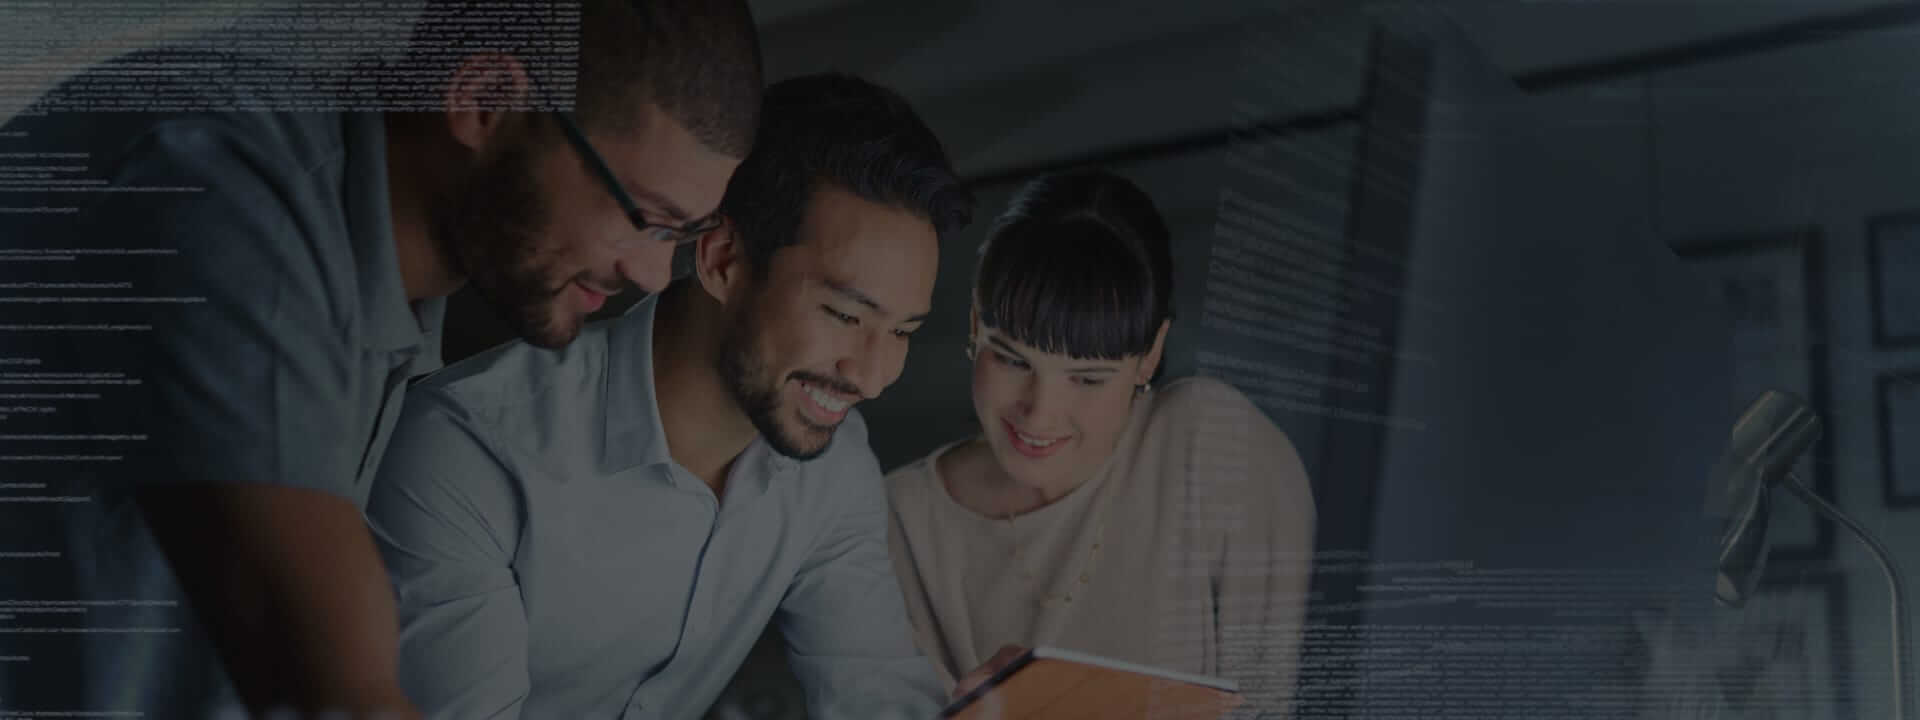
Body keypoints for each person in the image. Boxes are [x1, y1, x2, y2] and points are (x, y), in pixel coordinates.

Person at [0, 1, 761, 716]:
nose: (653, 275)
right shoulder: (222, 186)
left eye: (680, 235)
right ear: (485, 101)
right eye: (643, 218)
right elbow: (333, 687)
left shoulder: (398, 268)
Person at [365, 72, 984, 719]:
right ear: (721, 261)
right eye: (845, 316)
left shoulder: (834, 464)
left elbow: (878, 695)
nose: (873, 374)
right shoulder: (466, 451)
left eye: (903, 331)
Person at [884, 170, 1318, 716]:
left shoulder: (1214, 451)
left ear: (1151, 354)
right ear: (974, 323)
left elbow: (1270, 708)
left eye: (1087, 379)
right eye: (1012, 359)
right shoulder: (898, 521)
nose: (1039, 413)